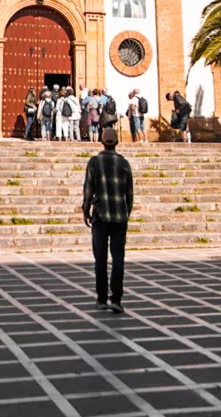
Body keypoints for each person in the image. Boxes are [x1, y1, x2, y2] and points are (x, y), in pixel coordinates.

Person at [82, 127, 133, 314]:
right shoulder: (124, 163)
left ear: (102, 142)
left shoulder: (95, 162)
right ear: (117, 142)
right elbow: (129, 194)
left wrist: (86, 209)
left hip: (101, 216)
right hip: (119, 217)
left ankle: (102, 298)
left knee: (100, 259)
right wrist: (126, 213)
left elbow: (88, 188)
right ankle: (117, 299)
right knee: (118, 258)